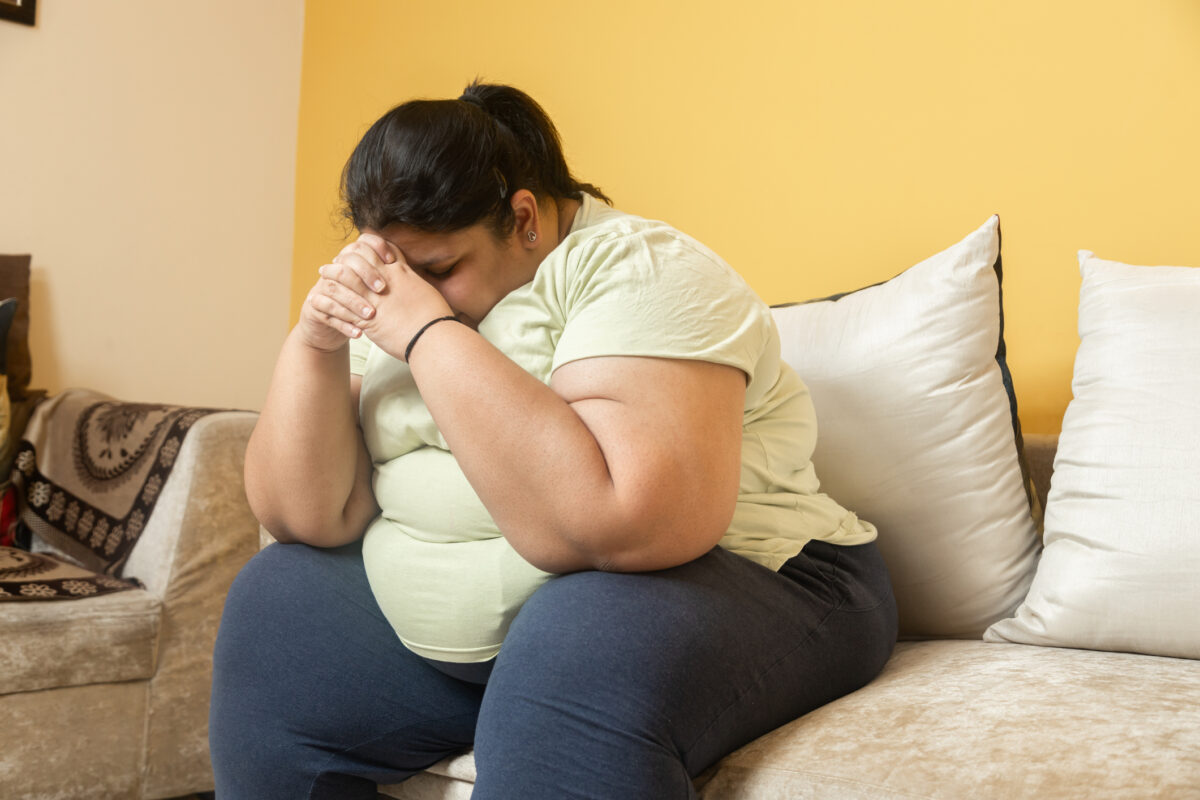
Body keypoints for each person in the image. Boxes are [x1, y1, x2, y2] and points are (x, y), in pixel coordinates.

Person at [209, 81, 897, 799]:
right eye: (401, 271)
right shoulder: (401, 289)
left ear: (523, 219)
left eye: (440, 270)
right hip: (521, 636)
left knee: (580, 641)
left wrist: (425, 333)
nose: (416, 291)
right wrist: (316, 341)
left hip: (765, 582)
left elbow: (620, 522)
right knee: (278, 605)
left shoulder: (640, 267)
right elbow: (304, 514)